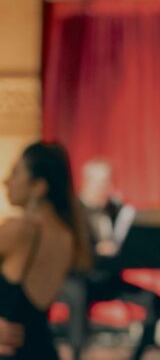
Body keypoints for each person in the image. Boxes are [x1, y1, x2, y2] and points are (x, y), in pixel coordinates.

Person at [59, 159, 160, 360]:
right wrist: (95, 250)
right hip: (78, 278)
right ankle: (76, 353)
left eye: (109, 183)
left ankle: (138, 354)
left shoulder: (114, 209)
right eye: (101, 184)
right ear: (87, 183)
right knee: (78, 295)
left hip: (107, 278)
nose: (106, 189)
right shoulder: (73, 211)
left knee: (153, 299)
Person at [0, 142, 92, 359]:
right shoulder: (68, 236)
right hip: (42, 350)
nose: (6, 181)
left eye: (16, 173)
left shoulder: (20, 230)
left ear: (39, 187)